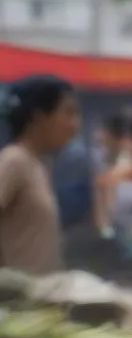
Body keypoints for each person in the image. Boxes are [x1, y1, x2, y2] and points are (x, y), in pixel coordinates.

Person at [0, 74, 78, 274]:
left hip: (38, 300)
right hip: (17, 301)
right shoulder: (14, 161)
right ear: (39, 118)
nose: (75, 125)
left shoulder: (39, 165)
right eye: (68, 113)